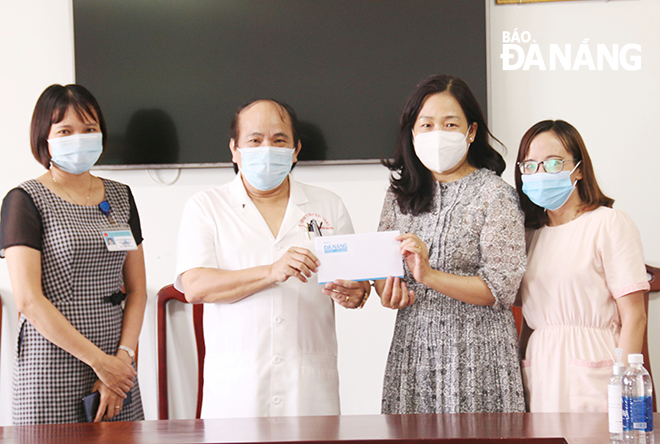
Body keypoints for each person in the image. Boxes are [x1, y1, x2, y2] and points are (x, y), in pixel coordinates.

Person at [175, 98, 370, 418]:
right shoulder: (206, 206)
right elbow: (196, 287)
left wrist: (355, 293)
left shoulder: (328, 204)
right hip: (237, 390)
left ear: (295, 150)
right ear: (234, 149)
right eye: (255, 140)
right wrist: (270, 271)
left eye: (279, 140)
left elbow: (356, 286)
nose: (267, 148)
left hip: (308, 387)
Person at [375, 74, 526, 414]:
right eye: (426, 124)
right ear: (412, 132)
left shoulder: (495, 195)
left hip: (479, 356)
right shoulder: (399, 197)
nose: (437, 134)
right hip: (413, 353)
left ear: (471, 132)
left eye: (450, 123)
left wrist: (428, 275)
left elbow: (500, 288)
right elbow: (383, 273)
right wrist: (386, 289)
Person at [0, 84, 146, 424]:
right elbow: (29, 301)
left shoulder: (121, 196)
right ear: (44, 138)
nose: (79, 138)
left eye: (89, 129)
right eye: (65, 131)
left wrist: (122, 359)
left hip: (117, 359)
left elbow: (137, 289)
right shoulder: (25, 200)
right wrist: (101, 363)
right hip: (52, 360)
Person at [515, 120, 649, 412]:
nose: (539, 173)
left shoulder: (608, 224)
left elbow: (635, 317)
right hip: (541, 367)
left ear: (579, 169)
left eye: (552, 163)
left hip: (595, 363)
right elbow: (527, 318)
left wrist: (624, 393)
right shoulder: (528, 235)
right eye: (529, 165)